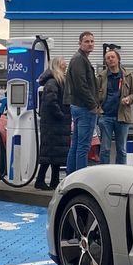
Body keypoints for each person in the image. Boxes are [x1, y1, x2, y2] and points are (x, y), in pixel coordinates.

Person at [95, 46, 133, 165]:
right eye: (108, 58)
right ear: (105, 61)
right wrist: (98, 110)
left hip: (122, 117)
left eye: (113, 57)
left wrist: (129, 99)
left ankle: (120, 172)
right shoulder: (101, 77)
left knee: (122, 149)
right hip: (106, 117)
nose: (110, 59)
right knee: (105, 149)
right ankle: (103, 172)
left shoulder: (128, 76)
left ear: (118, 59)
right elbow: (93, 96)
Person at [64, 30, 101, 174]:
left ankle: (70, 176)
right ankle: (79, 178)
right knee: (83, 147)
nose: (90, 44)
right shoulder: (80, 59)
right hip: (84, 108)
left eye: (92, 41)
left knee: (76, 145)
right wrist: (93, 105)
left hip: (79, 106)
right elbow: (81, 85)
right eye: (87, 41)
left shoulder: (79, 58)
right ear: (80, 43)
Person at [34, 58, 70, 190]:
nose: (65, 65)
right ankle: (40, 180)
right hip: (53, 123)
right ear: (58, 66)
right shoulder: (53, 82)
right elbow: (51, 101)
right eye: (63, 63)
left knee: (55, 154)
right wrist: (61, 115)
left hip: (54, 123)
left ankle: (54, 180)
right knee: (49, 153)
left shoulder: (56, 81)